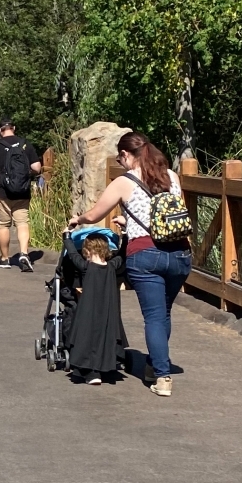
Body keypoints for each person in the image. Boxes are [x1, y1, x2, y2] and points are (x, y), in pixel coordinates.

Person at [82, 131, 192, 396]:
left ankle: (163, 377)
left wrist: (78, 220)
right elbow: (169, 217)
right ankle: (154, 365)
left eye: (120, 159)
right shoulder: (172, 176)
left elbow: (95, 214)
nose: (121, 164)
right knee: (164, 313)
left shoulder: (124, 182)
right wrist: (128, 221)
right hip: (179, 253)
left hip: (146, 255)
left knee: (153, 316)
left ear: (125, 154)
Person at [57, 224, 128, 383]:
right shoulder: (112, 267)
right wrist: (125, 236)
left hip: (88, 312)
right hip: (107, 313)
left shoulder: (86, 267)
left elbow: (73, 254)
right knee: (104, 339)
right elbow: (122, 255)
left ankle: (91, 373)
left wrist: (67, 236)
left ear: (87, 251)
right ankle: (103, 369)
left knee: (86, 340)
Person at [0, 120, 42, 272]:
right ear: (14, 128)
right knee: (22, 222)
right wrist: (26, 174)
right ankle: (24, 254)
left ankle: (5, 258)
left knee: (3, 225)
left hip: (2, 192)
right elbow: (37, 167)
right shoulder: (25, 144)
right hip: (22, 191)